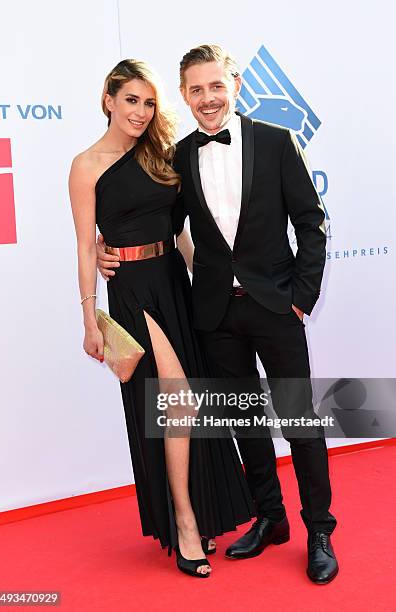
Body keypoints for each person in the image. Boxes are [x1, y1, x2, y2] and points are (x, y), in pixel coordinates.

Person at [97, 45, 339, 585]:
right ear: (184, 95)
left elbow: (312, 222)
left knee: (299, 420)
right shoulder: (178, 157)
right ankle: (270, 518)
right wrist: (106, 249)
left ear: (234, 85)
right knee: (245, 424)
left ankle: (319, 530)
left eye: (216, 86)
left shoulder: (276, 142)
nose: (208, 99)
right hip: (212, 313)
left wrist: (302, 294)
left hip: (277, 306)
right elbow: (157, 220)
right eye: (196, 90)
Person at [69, 58, 254, 578]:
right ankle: (185, 519)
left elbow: (180, 235)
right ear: (108, 99)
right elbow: (87, 248)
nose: (141, 112)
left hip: (175, 282)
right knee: (178, 400)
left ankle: (196, 510)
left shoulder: (161, 156)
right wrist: (89, 320)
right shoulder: (86, 165)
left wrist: (216, 284)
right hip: (133, 292)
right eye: (131, 100)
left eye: (149, 103)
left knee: (185, 404)